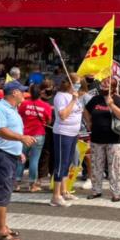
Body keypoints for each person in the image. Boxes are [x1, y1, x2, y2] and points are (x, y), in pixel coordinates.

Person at [0, 80, 34, 240]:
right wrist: (21, 138)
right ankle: (0, 232)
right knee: (2, 193)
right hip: (1, 157)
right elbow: (0, 130)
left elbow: (10, 132)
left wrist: (18, 150)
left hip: (9, 155)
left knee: (5, 192)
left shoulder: (12, 109)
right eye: (22, 91)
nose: (24, 94)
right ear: (14, 92)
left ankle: (0, 226)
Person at [84, 77, 120, 201]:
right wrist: (88, 122)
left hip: (114, 140)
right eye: (102, 83)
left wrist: (112, 105)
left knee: (114, 167)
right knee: (96, 166)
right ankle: (96, 191)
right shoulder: (95, 99)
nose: (103, 85)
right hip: (96, 139)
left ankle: (116, 193)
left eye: (106, 84)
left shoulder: (117, 100)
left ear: (113, 88)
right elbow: (86, 110)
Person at [51, 74, 82, 207]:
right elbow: (63, 115)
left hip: (73, 133)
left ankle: (64, 191)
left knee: (68, 162)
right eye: (77, 83)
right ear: (69, 83)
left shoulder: (73, 96)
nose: (79, 85)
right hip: (63, 133)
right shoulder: (60, 96)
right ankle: (55, 196)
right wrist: (73, 101)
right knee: (61, 163)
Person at [16, 83, 53, 193]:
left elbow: (19, 116)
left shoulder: (24, 104)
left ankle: (16, 184)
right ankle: (32, 185)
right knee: (34, 160)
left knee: (21, 160)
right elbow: (49, 121)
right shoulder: (46, 106)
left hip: (24, 135)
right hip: (39, 135)